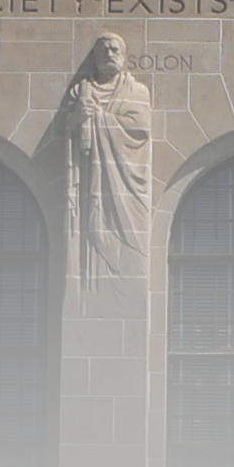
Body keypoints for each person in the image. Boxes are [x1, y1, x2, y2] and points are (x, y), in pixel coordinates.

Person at [68, 33, 152, 281]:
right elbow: (69, 136)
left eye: (115, 50)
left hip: (126, 178)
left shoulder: (137, 91)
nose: (109, 54)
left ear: (124, 56)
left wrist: (98, 118)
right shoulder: (80, 91)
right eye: (103, 50)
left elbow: (140, 127)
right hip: (89, 177)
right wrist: (78, 117)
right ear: (94, 58)